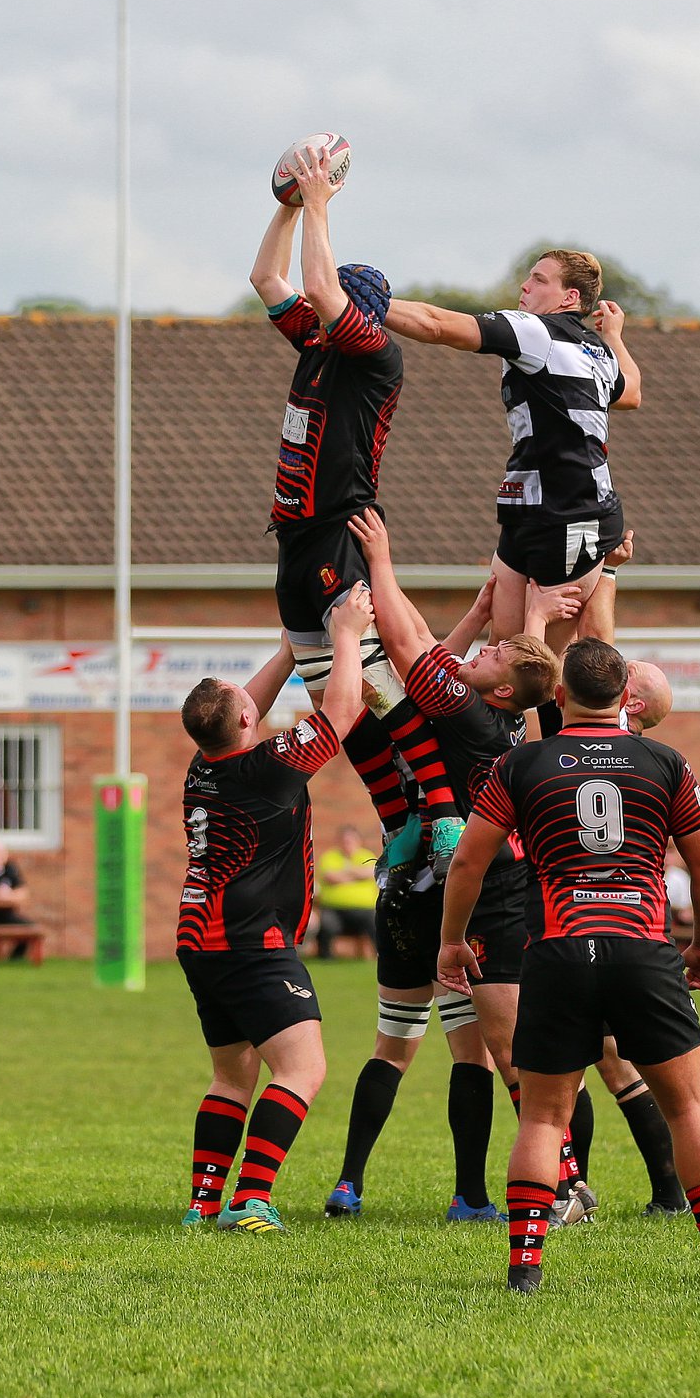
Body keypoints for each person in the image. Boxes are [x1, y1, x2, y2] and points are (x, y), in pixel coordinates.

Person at [439, 638, 700, 1294]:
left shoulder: (522, 763)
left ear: (559, 698)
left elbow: (469, 860)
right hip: (643, 949)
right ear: (624, 700)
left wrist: (452, 939)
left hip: (557, 951)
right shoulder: (665, 762)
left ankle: (525, 1271)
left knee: (541, 1117)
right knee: (689, 1108)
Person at [323, 506, 565, 1223]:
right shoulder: (487, 720)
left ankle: (349, 1183)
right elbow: (451, 666)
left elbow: (409, 651)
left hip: (407, 889)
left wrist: (382, 563)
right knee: (475, 1057)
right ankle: (474, 1195)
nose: (480, 649)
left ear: (494, 692)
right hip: (455, 901)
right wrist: (526, 621)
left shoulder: (445, 715)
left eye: (492, 655)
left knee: (393, 1044)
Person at [246, 142, 464, 881]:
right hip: (295, 540)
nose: (315, 299)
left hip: (340, 528)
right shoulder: (314, 338)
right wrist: (285, 206)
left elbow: (313, 278)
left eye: (333, 295)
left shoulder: (374, 352)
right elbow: (267, 277)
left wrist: (318, 201)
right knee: (321, 680)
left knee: (373, 682)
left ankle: (441, 814)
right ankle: (398, 821)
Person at [177, 591, 370, 1233]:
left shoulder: (203, 767)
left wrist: (291, 647)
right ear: (241, 725)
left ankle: (205, 1203)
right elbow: (342, 710)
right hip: (249, 941)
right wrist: (346, 632)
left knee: (232, 1076)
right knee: (302, 1068)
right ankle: (253, 1199)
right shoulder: (268, 767)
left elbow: (241, 708)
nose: (253, 704)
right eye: (246, 705)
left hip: (200, 939)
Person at [384, 253, 642, 652]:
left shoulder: (536, 331)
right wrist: (614, 337)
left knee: (543, 661)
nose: (525, 286)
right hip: (526, 508)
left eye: (539, 280)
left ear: (569, 297)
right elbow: (630, 392)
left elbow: (437, 325)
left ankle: (584, 717)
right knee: (503, 647)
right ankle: (504, 717)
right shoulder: (598, 351)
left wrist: (371, 304)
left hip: (572, 513)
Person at [314, 826, 377, 959]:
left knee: (377, 923)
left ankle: (381, 956)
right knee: (327, 924)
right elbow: (330, 877)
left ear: (358, 840)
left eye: (351, 840)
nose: (347, 843)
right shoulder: (329, 857)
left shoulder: (367, 856)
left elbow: (371, 872)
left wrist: (345, 873)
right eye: (344, 840)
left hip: (365, 910)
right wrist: (357, 875)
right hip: (335, 910)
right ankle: (325, 958)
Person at [0, 841, 32, 960]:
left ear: (5, 856)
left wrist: (7, 896)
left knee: (30, 929)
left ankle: (15, 959)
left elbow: (23, 893)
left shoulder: (10, 870)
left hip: (6, 915)